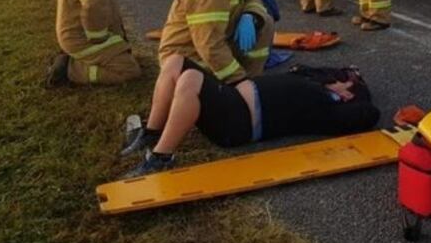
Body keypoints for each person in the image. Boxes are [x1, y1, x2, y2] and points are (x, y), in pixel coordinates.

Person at [121, 61, 379, 176]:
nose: (336, 81)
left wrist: (353, 93)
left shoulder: (331, 110)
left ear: (350, 96)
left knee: (190, 79)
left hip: (238, 124)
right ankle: (152, 132)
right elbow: (302, 69)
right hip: (232, 100)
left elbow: (369, 115)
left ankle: (161, 157)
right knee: (177, 60)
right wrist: (329, 78)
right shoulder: (313, 83)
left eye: (345, 83)